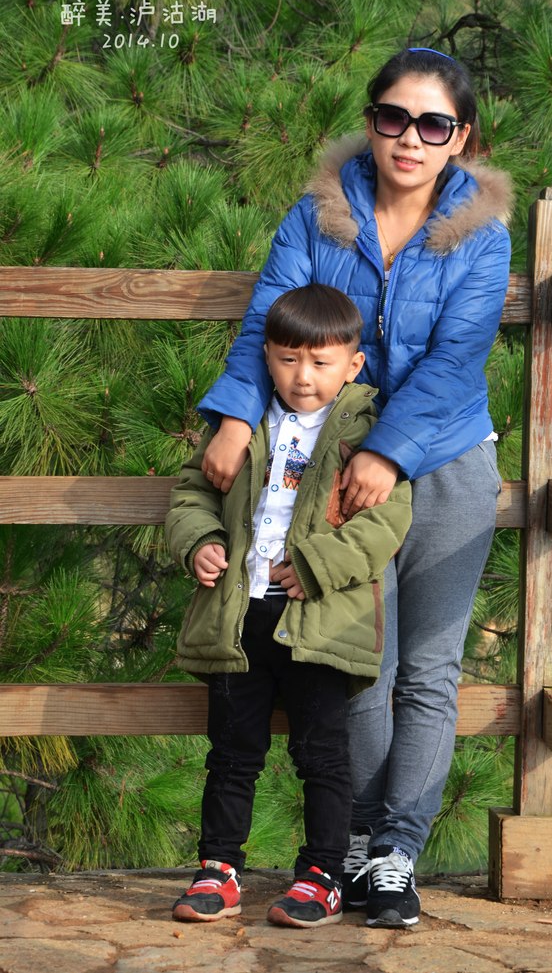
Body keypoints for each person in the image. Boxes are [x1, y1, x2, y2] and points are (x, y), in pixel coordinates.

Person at [196, 46, 512, 928]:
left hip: (445, 458)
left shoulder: (483, 233)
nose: (410, 138)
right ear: (371, 120)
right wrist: (234, 416)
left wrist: (391, 451)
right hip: (330, 464)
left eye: (433, 124)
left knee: (431, 670)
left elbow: (457, 356)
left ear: (460, 137)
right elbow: (265, 320)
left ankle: (397, 853)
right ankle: (361, 844)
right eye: (393, 117)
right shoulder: (318, 214)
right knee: (359, 661)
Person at [165, 284, 412, 929]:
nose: (303, 377)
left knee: (323, 755)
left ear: (353, 365)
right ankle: (218, 868)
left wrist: (316, 566)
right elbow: (192, 491)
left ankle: (322, 876)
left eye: (321, 362)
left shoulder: (369, 432)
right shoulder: (243, 424)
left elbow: (387, 522)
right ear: (267, 359)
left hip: (320, 622)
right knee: (232, 751)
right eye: (287, 359)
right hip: (238, 616)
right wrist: (200, 540)